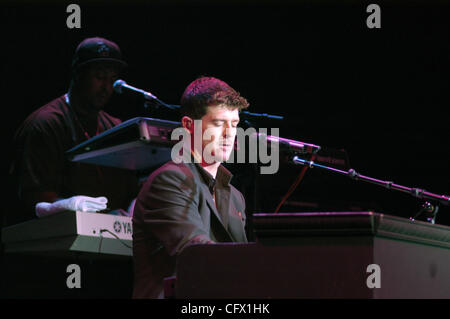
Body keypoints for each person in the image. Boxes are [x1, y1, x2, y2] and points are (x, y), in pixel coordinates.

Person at [132, 76, 250, 298]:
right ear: (188, 126)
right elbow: (197, 255)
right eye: (218, 123)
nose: (229, 134)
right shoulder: (169, 180)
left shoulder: (235, 196)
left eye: (234, 124)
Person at [8, 37, 139, 225]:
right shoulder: (45, 124)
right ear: (78, 74)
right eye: (100, 77)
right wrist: (67, 206)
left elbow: (132, 191)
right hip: (53, 243)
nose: (107, 88)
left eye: (112, 79)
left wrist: (135, 206)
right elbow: (33, 197)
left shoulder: (116, 127)